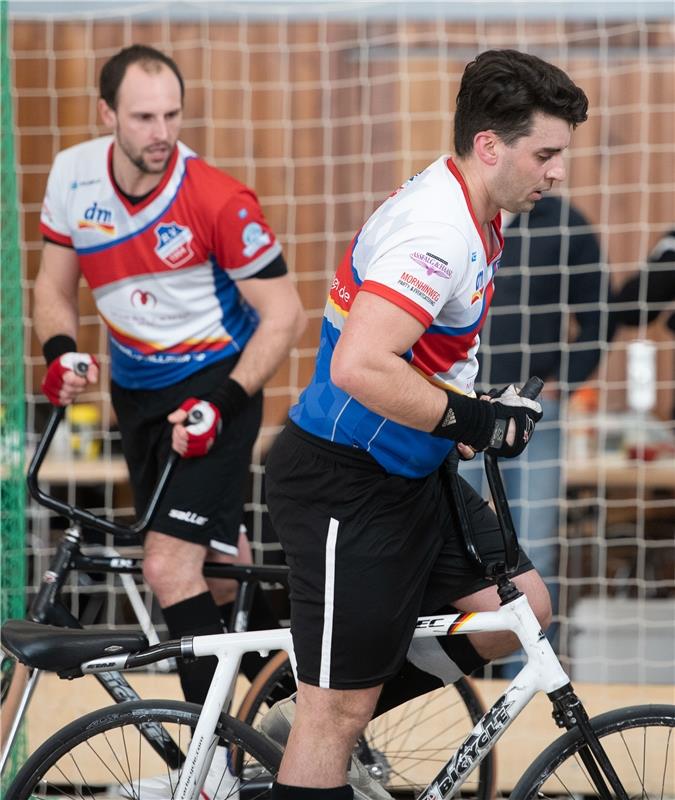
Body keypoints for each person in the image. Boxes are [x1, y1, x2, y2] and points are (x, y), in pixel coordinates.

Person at [262, 49, 588, 800]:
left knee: (520, 613)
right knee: (335, 715)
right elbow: (359, 366)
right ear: (488, 146)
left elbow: (421, 358)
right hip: (346, 480)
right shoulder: (435, 230)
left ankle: (313, 713)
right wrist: (468, 414)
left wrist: (474, 410)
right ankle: (320, 719)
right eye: (544, 154)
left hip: (410, 467)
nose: (556, 173)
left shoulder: (474, 209)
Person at [34, 41, 306, 769]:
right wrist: (60, 352)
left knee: (167, 569)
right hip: (136, 395)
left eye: (172, 115)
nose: (162, 132)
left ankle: (209, 764)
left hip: (218, 389)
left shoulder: (216, 198)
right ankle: (296, 713)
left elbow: (284, 314)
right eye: (144, 116)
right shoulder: (72, 177)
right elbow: (53, 289)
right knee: (217, 577)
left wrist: (222, 400)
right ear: (107, 115)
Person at [461, 195, 613, 675]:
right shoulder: (458, 217)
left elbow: (599, 314)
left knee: (534, 548)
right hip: (456, 411)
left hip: (532, 417)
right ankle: (463, 673)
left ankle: (528, 677)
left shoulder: (564, 223)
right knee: (457, 546)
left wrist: (563, 383)